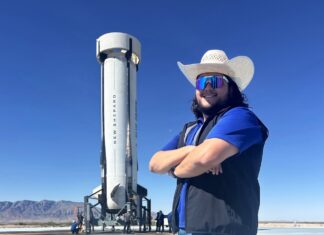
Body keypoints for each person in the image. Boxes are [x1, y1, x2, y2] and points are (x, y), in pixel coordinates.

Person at [149, 49, 268, 235]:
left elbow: (204, 158)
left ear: (231, 87)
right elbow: (155, 163)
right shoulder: (188, 130)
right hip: (184, 229)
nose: (208, 87)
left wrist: (176, 169)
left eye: (216, 81)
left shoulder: (240, 117)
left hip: (226, 230)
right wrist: (190, 150)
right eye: (202, 82)